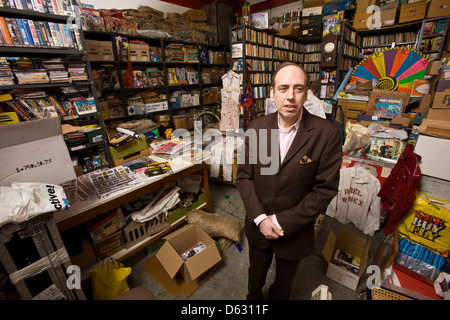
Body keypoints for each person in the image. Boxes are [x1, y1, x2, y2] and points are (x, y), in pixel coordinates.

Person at [236, 62, 342, 300]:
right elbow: (244, 177)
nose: (291, 96)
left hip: (294, 232)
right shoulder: (257, 127)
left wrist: (282, 221)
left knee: (284, 284)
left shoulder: (326, 133)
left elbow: (325, 190)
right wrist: (261, 218)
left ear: (307, 94)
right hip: (257, 225)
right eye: (283, 88)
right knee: (256, 275)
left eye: (298, 88)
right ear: (272, 93)